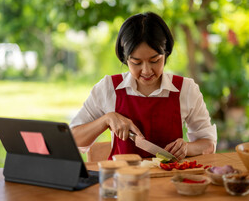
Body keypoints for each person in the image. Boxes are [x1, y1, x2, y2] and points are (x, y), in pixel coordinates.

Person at [70, 12, 217, 160]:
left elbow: (208, 143)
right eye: (136, 62)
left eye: (155, 60)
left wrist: (187, 148)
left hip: (170, 180)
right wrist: (106, 119)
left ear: (166, 53)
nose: (146, 71)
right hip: (121, 180)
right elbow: (74, 138)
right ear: (125, 58)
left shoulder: (186, 89)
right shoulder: (108, 88)